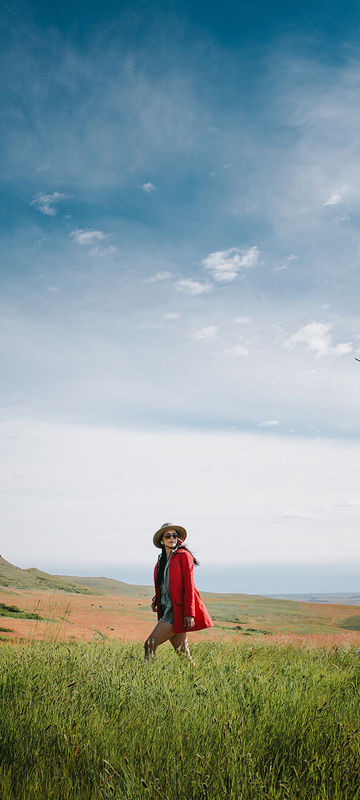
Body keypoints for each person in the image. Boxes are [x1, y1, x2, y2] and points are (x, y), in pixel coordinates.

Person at [144, 522, 213, 661]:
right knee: (183, 656)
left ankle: (148, 676)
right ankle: (193, 680)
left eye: (174, 535)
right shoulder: (161, 560)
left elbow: (189, 586)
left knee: (149, 645)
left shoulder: (184, 556)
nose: (172, 538)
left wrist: (189, 614)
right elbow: (165, 585)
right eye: (168, 535)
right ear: (162, 541)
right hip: (167, 607)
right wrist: (157, 600)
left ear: (179, 538)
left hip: (177, 612)